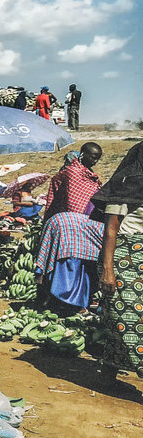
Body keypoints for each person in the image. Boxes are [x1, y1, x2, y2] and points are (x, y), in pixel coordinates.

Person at [93, 141, 143, 378]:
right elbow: (110, 231)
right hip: (125, 258)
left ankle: (109, 370)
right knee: (128, 318)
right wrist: (107, 270)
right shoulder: (126, 186)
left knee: (123, 322)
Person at [35, 210, 104, 316]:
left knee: (80, 268)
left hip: (64, 222)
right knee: (71, 268)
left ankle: (60, 301)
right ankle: (69, 304)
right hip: (69, 229)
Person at [42, 142, 102, 221]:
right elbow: (70, 199)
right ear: (82, 154)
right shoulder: (72, 172)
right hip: (72, 216)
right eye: (93, 158)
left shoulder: (91, 175)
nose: (95, 161)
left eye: (97, 159)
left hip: (89, 214)